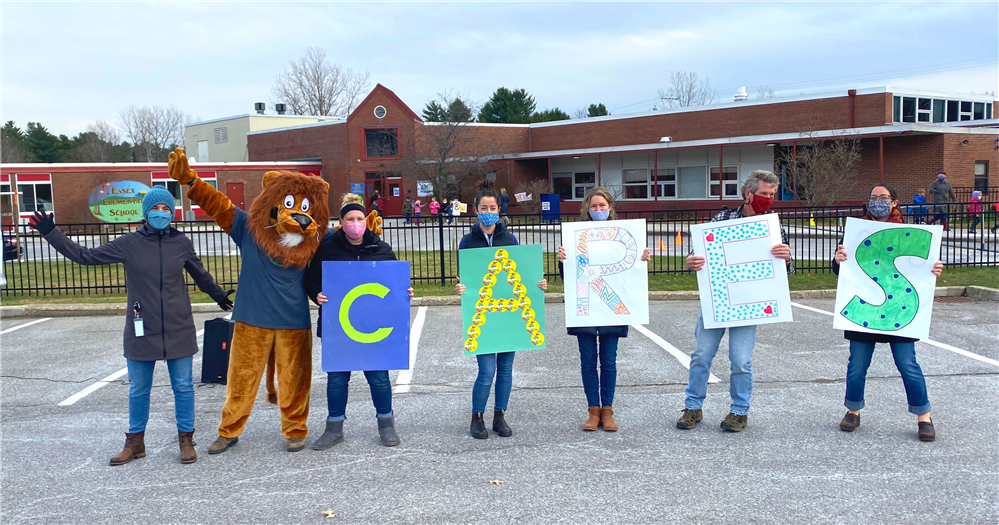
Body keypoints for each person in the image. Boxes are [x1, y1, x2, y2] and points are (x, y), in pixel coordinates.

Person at [27, 188, 232, 465]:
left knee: (183, 386)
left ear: (172, 212)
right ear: (145, 213)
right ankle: (135, 443)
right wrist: (52, 232)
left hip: (178, 325)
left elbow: (200, 274)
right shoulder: (129, 243)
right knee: (138, 388)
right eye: (156, 208)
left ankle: (186, 440)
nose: (162, 213)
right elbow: (85, 256)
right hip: (142, 326)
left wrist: (219, 296)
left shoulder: (181, 243)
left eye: (166, 208)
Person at [676, 170, 793, 432]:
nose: (768, 199)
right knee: (701, 355)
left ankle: (739, 411)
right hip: (717, 300)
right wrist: (692, 261)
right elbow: (699, 252)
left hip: (748, 304)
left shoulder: (772, 226)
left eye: (772, 195)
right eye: (763, 194)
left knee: (741, 360)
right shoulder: (724, 217)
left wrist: (786, 258)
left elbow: (785, 271)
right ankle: (692, 407)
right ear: (748, 193)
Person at [833, 183, 943, 442]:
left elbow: (921, 270)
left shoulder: (910, 233)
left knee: (908, 365)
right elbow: (842, 273)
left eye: (883, 197)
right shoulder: (856, 232)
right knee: (857, 365)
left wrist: (934, 269)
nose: (877, 201)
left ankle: (923, 416)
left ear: (894, 202)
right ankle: (853, 411)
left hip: (900, 313)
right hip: (866, 310)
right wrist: (838, 261)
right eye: (873, 197)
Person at [305, 194, 413, 450]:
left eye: (360, 218)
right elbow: (310, 279)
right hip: (339, 328)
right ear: (341, 222)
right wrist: (317, 293)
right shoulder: (328, 249)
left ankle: (386, 425)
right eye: (350, 219)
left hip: (373, 328)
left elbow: (394, 283)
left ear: (367, 220)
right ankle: (334, 428)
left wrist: (404, 291)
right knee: (337, 380)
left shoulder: (382, 249)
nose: (356, 223)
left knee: (378, 377)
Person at [455, 180, 547, 439]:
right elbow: (466, 277)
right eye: (484, 207)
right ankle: (477, 416)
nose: (488, 211)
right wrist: (461, 288)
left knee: (505, 369)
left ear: (498, 210)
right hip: (483, 312)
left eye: (492, 207)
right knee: (486, 370)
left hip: (508, 315)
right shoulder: (467, 242)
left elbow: (519, 274)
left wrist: (536, 284)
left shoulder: (509, 238)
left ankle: (499, 415)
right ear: (476, 210)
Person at [556, 187, 650, 432]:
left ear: (610, 207)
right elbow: (570, 279)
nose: (598, 210)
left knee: (608, 362)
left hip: (611, 310)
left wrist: (641, 260)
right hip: (586, 310)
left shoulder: (625, 236)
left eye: (602, 205)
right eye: (594, 206)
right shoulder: (577, 237)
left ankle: (607, 410)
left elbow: (630, 276)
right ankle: (593, 411)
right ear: (587, 208)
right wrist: (563, 260)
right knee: (588, 362)